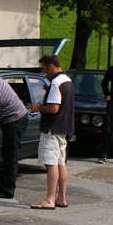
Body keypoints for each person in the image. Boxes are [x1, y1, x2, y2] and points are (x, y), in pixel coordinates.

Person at [29, 54, 75, 210]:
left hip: (52, 128)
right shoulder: (67, 80)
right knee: (61, 163)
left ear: (50, 66)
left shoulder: (56, 83)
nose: (44, 73)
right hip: (63, 128)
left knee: (51, 164)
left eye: (44, 68)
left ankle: (49, 199)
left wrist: (38, 107)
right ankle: (61, 197)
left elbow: (53, 108)